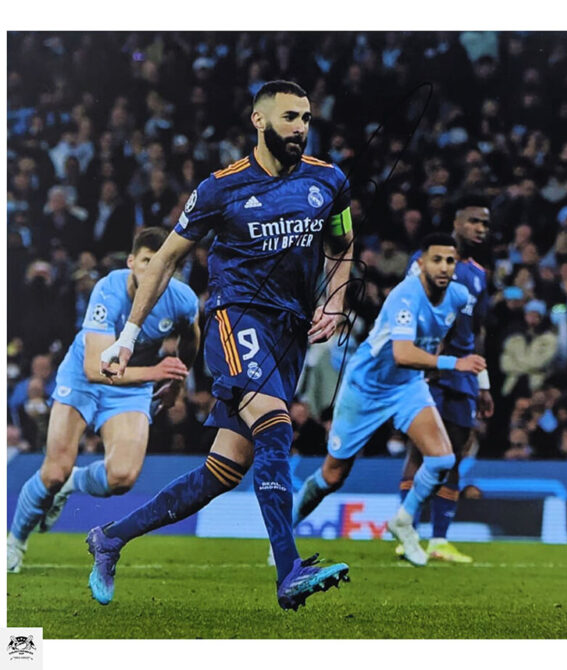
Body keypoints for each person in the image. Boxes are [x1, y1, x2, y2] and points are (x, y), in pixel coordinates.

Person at [87, 81, 353, 611]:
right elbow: (164, 260)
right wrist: (129, 336)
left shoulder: (330, 180)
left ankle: (110, 537)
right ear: (259, 121)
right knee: (276, 425)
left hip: (291, 331)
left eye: (305, 117)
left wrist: (337, 303)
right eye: (288, 117)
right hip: (237, 319)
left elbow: (342, 244)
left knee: (222, 471)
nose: (300, 127)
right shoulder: (219, 188)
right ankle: (288, 570)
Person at [7, 227, 200, 573]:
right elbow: (97, 367)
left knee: (122, 478)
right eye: (146, 261)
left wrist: (178, 382)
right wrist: (158, 372)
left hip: (133, 383)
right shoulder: (108, 291)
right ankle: (15, 543)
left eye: (163, 263)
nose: (154, 270)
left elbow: (191, 336)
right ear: (130, 263)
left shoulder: (181, 300)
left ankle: (72, 483)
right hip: (85, 376)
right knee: (52, 471)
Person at [292, 234, 487, 567]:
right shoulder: (405, 295)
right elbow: (402, 353)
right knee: (333, 476)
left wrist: (468, 377)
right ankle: (284, 529)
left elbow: (450, 339)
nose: (443, 267)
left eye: (450, 261)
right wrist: (452, 364)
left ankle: (403, 520)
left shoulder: (457, 296)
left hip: (407, 387)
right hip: (365, 387)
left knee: (442, 459)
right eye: (436, 259)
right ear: (421, 263)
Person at [396, 196, 494, 564]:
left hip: (465, 375)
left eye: (485, 224)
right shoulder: (425, 264)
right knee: (421, 451)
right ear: (457, 222)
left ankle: (438, 541)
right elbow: (413, 309)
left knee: (453, 453)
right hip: (432, 368)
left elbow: (478, 331)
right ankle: (407, 533)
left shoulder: (479, 274)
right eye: (474, 221)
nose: (480, 229)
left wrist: (483, 384)